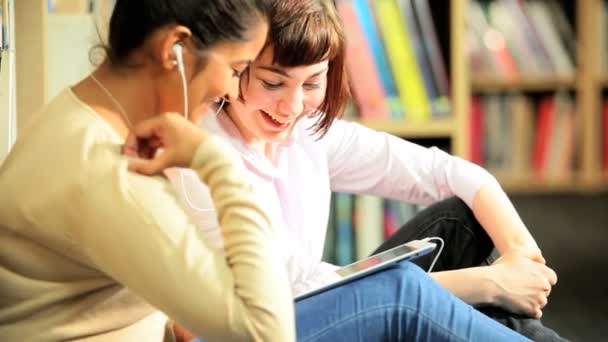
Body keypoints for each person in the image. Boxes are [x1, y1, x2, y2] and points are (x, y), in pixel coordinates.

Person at [169, 0, 568, 341]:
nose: (291, 107)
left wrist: (522, 257)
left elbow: (451, 172)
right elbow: (296, 286)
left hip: (305, 310)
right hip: (252, 329)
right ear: (236, 68)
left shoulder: (306, 132)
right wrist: (493, 285)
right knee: (402, 289)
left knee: (458, 219)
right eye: (273, 83)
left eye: (312, 83)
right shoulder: (202, 155)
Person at [0, 1, 297, 341]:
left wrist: (169, 322)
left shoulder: (75, 117)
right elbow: (266, 333)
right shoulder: (109, 170)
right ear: (176, 49)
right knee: (371, 302)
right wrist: (218, 160)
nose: (231, 91)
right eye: (235, 69)